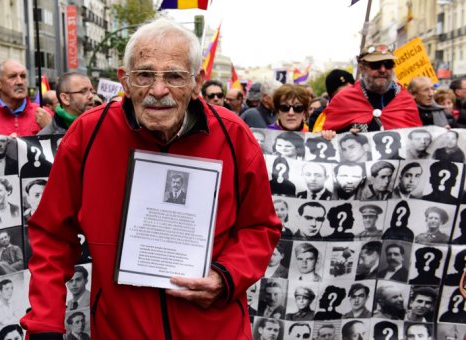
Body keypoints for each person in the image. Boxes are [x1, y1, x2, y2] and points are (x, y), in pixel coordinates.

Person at [22, 18, 281, 339]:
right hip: (121, 330)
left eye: (174, 76)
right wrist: (44, 324)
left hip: (214, 329)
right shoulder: (88, 134)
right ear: (124, 81)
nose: (158, 91)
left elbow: (261, 227)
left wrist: (226, 276)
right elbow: (52, 235)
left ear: (197, 81)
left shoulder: (233, 136)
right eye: (144, 75)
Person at [322, 44, 421, 133]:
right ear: (361, 68)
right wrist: (345, 134)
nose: (382, 70)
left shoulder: (406, 100)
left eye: (388, 64)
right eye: (376, 65)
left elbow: (417, 139)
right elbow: (329, 142)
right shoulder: (343, 99)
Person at [0, 59, 50, 136]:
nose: (20, 82)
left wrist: (50, 128)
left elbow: (59, 146)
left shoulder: (46, 115)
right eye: (12, 77)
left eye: (23, 76)